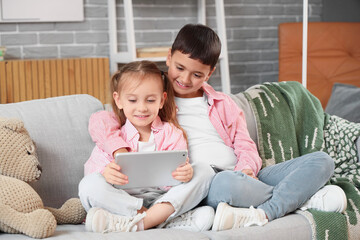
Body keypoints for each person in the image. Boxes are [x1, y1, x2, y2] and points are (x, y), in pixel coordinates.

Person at [86, 24, 347, 231]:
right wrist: (119, 149)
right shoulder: (152, 95)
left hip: (243, 178)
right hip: (210, 183)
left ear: (209, 73)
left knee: (322, 161)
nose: (185, 79)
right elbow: (104, 118)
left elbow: (245, 145)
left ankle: (273, 207)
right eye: (179, 68)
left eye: (197, 74)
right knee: (221, 181)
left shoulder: (223, 103)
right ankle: (300, 199)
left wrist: (247, 169)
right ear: (169, 57)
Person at [78, 60, 215, 233]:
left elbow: (177, 176)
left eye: (150, 100)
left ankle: (140, 223)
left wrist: (184, 174)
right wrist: (105, 173)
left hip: (163, 199)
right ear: (118, 100)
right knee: (88, 185)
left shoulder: (171, 134)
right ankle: (158, 220)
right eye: (133, 100)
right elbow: (91, 172)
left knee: (204, 171)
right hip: (123, 201)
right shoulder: (114, 136)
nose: (142, 108)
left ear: (161, 100)